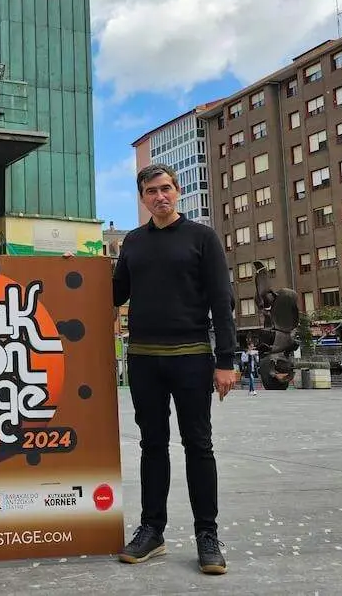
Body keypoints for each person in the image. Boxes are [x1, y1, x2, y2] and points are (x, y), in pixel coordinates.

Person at [113, 164, 235, 575]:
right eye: (151, 191)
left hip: (192, 357)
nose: (159, 196)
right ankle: (153, 531)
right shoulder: (132, 242)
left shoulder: (202, 238)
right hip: (144, 359)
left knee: (199, 445)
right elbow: (114, 293)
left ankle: (207, 535)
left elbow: (222, 301)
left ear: (177, 191)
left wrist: (226, 362)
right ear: (143, 198)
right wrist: (76, 267)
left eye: (166, 189)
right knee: (152, 445)